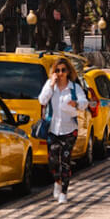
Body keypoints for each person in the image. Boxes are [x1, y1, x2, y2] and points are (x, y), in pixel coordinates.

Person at [38, 57, 87, 204]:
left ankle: (64, 192)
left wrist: (76, 103)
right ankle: (57, 182)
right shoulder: (50, 85)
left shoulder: (74, 88)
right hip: (53, 129)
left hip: (69, 130)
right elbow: (42, 100)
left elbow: (84, 103)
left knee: (65, 161)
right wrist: (51, 85)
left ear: (68, 72)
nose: (60, 73)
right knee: (53, 161)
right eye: (57, 70)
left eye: (63, 70)